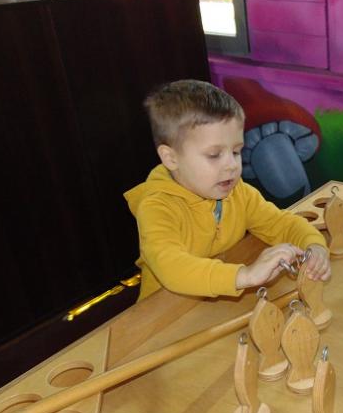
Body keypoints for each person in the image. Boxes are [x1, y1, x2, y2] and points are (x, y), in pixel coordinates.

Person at [125, 80, 331, 300]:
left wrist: (313, 245)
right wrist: (244, 275)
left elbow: (280, 223)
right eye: (214, 155)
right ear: (171, 158)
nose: (232, 166)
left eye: (236, 151)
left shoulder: (238, 192)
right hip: (167, 312)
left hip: (220, 303)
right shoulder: (157, 207)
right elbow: (172, 267)